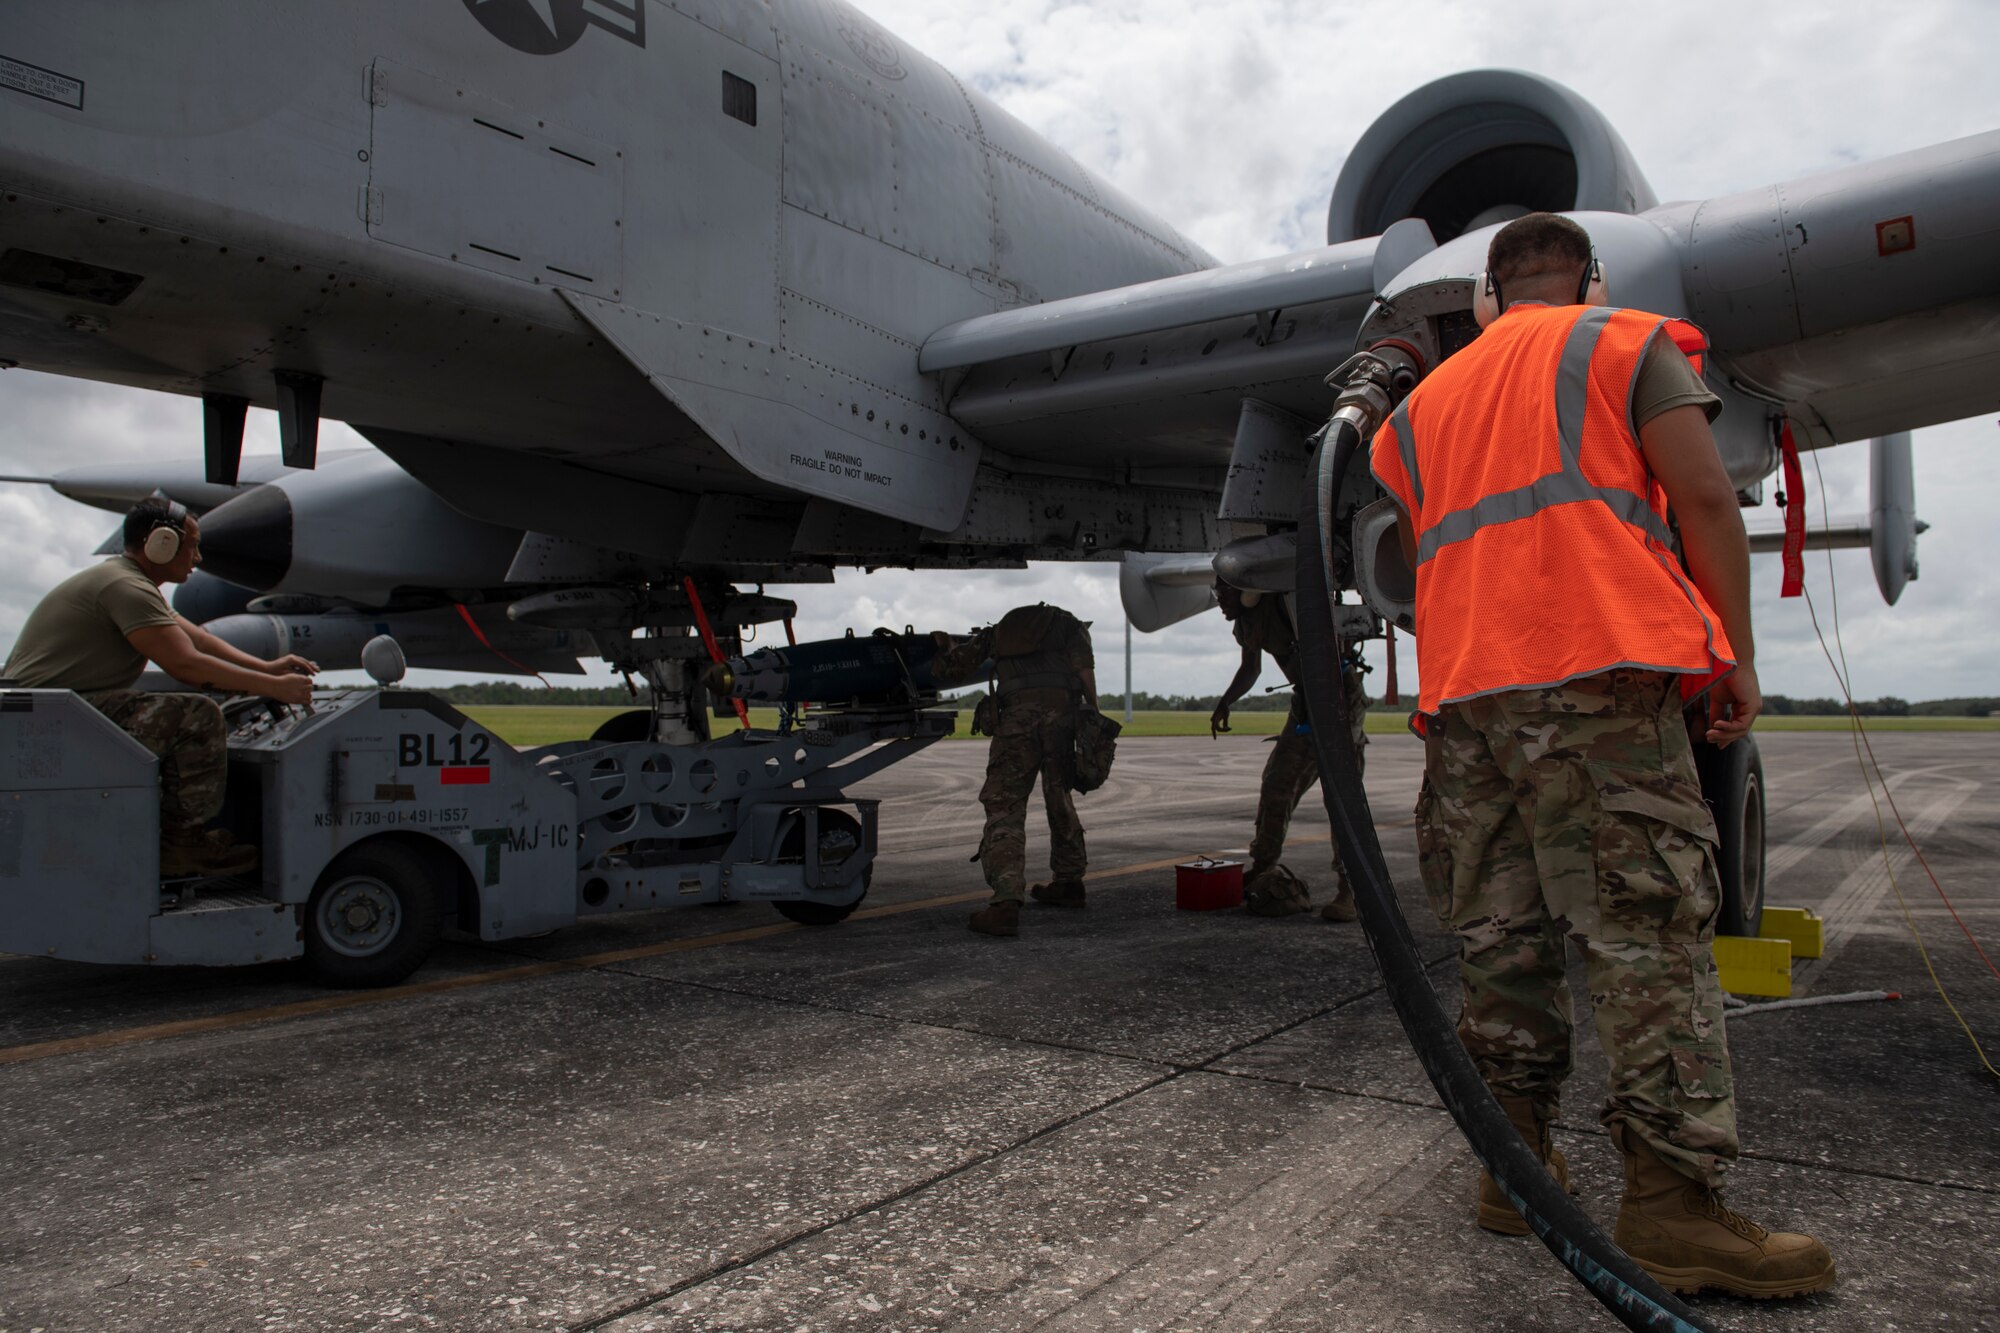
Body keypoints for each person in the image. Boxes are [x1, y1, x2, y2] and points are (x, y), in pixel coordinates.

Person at [1368, 213, 1834, 1298]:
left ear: (1483, 299)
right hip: (1598, 682)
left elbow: (1420, 550)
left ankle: (1512, 1172)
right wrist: (1731, 656)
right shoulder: (1624, 341)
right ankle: (1672, 1210)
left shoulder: (1420, 407)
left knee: (1500, 940)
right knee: (1645, 939)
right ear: (1587, 279)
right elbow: (1706, 495)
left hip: (1466, 707)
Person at [3, 497, 318, 877]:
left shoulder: (126, 580)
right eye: (192, 545)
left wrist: (266, 667)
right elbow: (185, 665)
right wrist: (275, 687)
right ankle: (182, 848)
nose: (198, 558)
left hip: (51, 718)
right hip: (50, 727)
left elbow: (197, 640)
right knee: (196, 716)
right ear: (161, 543)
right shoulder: (126, 588)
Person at [932, 603, 1097, 938]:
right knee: (1060, 798)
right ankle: (1069, 883)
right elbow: (1085, 674)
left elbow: (952, 669)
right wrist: (1091, 721)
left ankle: (1006, 903)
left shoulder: (999, 631)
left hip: (1018, 722)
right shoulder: (1071, 626)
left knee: (1004, 806)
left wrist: (945, 645)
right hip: (1062, 720)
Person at [1209, 582, 1368, 921]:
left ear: (1246, 591)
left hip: (1339, 694)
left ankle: (1350, 890)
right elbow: (1250, 668)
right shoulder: (1246, 623)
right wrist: (1226, 701)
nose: (1219, 601)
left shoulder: (1287, 603)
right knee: (1277, 783)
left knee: (1341, 797)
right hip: (1306, 700)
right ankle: (1263, 866)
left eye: (1223, 593)